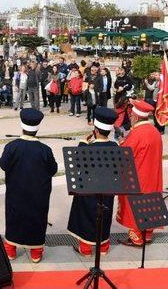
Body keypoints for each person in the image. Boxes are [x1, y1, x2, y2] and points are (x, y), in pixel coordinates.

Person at [0, 108, 58, 263]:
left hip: (16, 192)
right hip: (38, 194)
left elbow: (3, 165)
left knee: (14, 217)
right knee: (37, 219)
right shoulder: (45, 150)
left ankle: (11, 250)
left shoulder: (12, 147)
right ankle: (36, 252)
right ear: (38, 127)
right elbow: (53, 170)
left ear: (22, 125)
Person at [67, 107, 118, 256]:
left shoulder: (87, 148)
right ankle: (104, 246)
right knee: (105, 215)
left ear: (95, 129)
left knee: (86, 214)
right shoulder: (115, 147)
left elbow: (76, 166)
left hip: (89, 190)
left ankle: (86, 248)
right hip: (107, 191)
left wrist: (83, 143)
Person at [117, 100, 164, 246]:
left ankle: (136, 237)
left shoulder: (136, 134)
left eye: (131, 115)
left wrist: (121, 143)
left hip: (139, 175)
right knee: (150, 203)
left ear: (136, 117)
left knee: (135, 206)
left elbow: (126, 155)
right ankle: (147, 234)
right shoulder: (155, 131)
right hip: (153, 174)